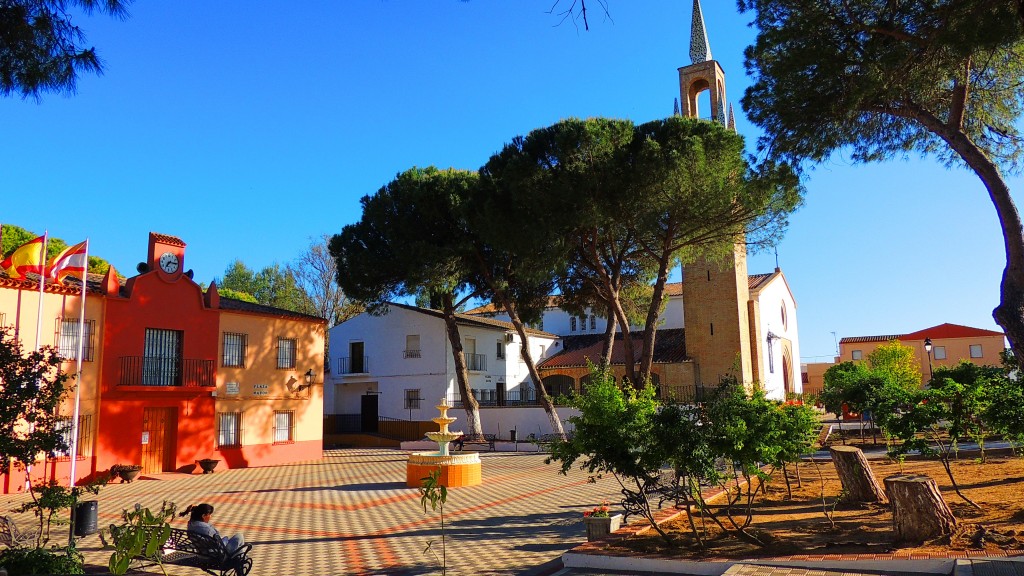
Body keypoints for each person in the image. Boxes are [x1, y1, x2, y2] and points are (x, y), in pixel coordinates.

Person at [179, 503, 245, 554]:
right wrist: (226, 539)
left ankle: (241, 562)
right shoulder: (207, 529)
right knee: (239, 537)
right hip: (217, 555)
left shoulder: (191, 525)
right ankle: (241, 566)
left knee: (239, 552)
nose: (210, 516)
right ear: (203, 516)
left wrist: (194, 509)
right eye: (209, 514)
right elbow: (219, 545)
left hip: (202, 554)